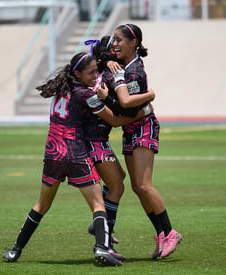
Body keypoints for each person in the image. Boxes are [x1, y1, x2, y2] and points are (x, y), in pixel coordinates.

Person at [2, 52, 151, 266]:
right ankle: (102, 248)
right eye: (90, 72)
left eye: (96, 71)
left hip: (52, 153)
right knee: (99, 204)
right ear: (77, 73)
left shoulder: (60, 91)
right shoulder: (86, 94)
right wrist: (143, 110)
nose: (95, 75)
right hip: (75, 154)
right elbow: (115, 121)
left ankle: (15, 251)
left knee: (41, 206)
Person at [99, 24, 183, 259]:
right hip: (130, 129)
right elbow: (96, 53)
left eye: (119, 40)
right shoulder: (120, 64)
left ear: (133, 42)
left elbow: (128, 105)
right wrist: (106, 62)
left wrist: (148, 96)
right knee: (137, 187)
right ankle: (161, 235)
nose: (114, 44)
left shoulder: (135, 71)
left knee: (144, 185)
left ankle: (170, 232)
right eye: (113, 41)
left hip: (144, 127)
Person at [84, 36, 155, 261]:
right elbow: (116, 119)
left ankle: (100, 223)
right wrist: (145, 109)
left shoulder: (101, 74)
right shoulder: (105, 79)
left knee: (119, 179)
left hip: (95, 140)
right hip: (93, 141)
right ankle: (104, 238)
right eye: (113, 50)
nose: (117, 51)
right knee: (116, 187)